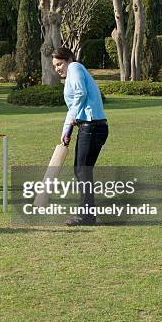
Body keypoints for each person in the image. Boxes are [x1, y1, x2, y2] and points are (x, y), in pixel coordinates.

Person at [52, 47, 109, 226]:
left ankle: (86, 215)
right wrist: (66, 131)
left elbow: (80, 94)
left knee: (81, 170)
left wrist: (69, 126)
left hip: (92, 126)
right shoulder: (72, 73)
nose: (58, 68)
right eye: (55, 66)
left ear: (69, 59)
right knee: (83, 170)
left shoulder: (75, 67)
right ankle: (88, 214)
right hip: (93, 126)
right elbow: (75, 106)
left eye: (60, 63)